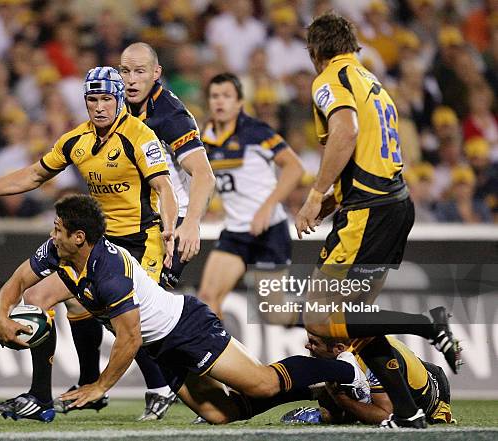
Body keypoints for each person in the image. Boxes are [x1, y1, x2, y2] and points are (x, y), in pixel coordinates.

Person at [0, 194, 368, 424]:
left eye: (58, 229)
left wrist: (99, 386)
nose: (52, 234)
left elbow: (130, 338)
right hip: (161, 346)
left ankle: (343, 369)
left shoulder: (109, 273)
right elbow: (17, 281)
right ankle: (318, 390)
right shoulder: (58, 252)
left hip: (185, 328)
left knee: (262, 383)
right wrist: (1, 315)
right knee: (222, 415)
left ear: (79, 237)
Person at [0, 67, 178, 420]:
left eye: (106, 99)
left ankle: (161, 388)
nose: (99, 107)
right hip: (94, 242)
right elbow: (36, 174)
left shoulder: (139, 136)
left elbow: (164, 188)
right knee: (40, 297)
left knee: (129, 323)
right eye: (92, 99)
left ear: (119, 100)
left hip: (141, 243)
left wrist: (172, 231)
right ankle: (44, 396)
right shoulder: (76, 140)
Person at [294, 12, 461, 429]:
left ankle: (427, 324)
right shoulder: (373, 82)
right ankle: (409, 411)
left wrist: (316, 194)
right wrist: (337, 195)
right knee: (356, 321)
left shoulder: (330, 79)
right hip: (394, 202)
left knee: (318, 318)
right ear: (353, 46)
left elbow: (346, 132)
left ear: (316, 51)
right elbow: (370, 147)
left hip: (369, 209)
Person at [119, 42, 216, 420]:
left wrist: (190, 225)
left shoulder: (171, 115)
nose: (130, 80)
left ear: (156, 73)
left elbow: (204, 175)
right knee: (114, 306)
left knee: (138, 311)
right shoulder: (117, 103)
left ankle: (175, 387)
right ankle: (189, 387)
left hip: (169, 228)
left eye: (140, 71)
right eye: (125, 71)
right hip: (134, 226)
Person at [197, 73, 304, 319]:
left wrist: (266, 208)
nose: (219, 102)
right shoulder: (204, 137)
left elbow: (294, 167)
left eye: (226, 96)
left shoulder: (255, 132)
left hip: (269, 230)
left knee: (274, 313)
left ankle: (326, 326)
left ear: (239, 103)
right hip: (236, 232)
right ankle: (220, 357)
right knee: (207, 298)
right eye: (214, 96)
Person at [282, 332, 454, 425]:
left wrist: (341, 400)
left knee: (337, 391)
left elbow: (386, 415)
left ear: (339, 348)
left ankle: (327, 416)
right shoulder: (355, 343)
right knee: (331, 385)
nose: (307, 346)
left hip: (430, 399)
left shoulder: (370, 358)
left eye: (313, 342)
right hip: (422, 374)